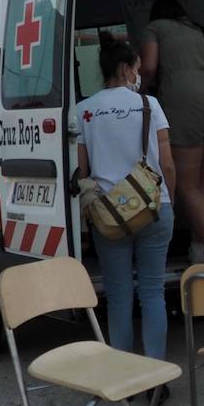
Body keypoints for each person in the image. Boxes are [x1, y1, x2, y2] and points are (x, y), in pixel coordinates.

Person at [76, 42, 178, 380]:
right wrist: (169, 201)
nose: (138, 74)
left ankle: (123, 377)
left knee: (118, 297)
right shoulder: (150, 105)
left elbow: (83, 170)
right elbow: (167, 162)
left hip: (110, 217)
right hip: (153, 206)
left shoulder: (85, 110)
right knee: (152, 293)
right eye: (135, 68)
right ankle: (155, 377)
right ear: (124, 69)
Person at [139, 0, 204, 265]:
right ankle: (199, 248)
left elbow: (148, 67)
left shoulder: (155, 28)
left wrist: (140, 93)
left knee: (186, 185)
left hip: (186, 100)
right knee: (203, 182)